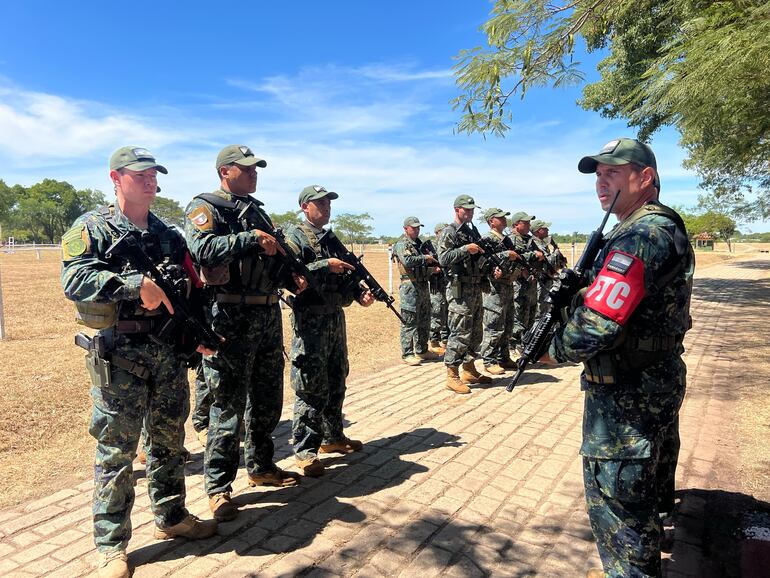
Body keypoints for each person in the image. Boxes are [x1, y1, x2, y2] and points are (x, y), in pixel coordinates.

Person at [61, 146, 217, 578]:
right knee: (117, 452)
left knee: (169, 443)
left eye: (154, 174)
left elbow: (191, 288)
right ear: (116, 178)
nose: (150, 181)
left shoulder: (169, 234)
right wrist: (134, 285)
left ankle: (171, 517)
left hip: (168, 354)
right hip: (120, 357)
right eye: (140, 174)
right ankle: (111, 545)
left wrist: (196, 336)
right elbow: (73, 278)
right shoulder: (93, 227)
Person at [542, 138, 694, 578]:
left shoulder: (642, 234)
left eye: (612, 173)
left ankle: (630, 567)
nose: (601, 183)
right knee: (645, 485)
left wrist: (553, 351)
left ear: (645, 178)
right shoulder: (649, 228)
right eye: (597, 175)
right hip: (651, 379)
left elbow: (598, 324)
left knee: (618, 498)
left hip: (628, 393)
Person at [184, 145, 306, 522]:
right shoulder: (206, 207)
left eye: (256, 169)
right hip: (229, 316)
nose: (254, 174)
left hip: (267, 313)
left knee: (268, 398)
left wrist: (293, 277)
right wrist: (249, 238)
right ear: (225, 172)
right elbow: (201, 249)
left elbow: (276, 257)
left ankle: (261, 466)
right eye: (247, 169)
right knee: (227, 406)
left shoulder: (259, 212)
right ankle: (218, 488)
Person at [285, 185, 374, 477]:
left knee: (337, 376)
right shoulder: (294, 235)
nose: (326, 207)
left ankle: (333, 437)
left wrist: (360, 293)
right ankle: (305, 451)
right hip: (310, 319)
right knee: (310, 384)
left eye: (328, 203)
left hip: (335, 317)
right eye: (319, 202)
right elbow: (292, 271)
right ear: (304, 207)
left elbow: (346, 273)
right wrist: (326, 264)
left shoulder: (331, 239)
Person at [437, 195, 492, 394]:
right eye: (466, 209)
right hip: (459, 290)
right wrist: (464, 250)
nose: (470, 213)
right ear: (457, 210)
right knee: (460, 332)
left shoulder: (472, 231)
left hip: (475, 288)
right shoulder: (449, 232)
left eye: (472, 210)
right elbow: (443, 258)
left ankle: (469, 369)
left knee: (476, 332)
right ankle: (452, 375)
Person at [392, 216, 440, 365]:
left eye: (418, 227)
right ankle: (407, 353)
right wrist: (425, 258)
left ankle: (422, 350)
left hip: (423, 284)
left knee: (424, 319)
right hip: (410, 286)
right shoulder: (402, 244)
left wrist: (433, 268)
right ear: (406, 228)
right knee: (409, 320)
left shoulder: (420, 244)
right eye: (414, 227)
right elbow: (407, 261)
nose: (417, 230)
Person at [478, 208, 521, 374]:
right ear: (491, 221)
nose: (504, 220)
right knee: (494, 324)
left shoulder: (506, 239)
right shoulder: (486, 239)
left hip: (507, 286)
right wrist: (505, 255)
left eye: (504, 218)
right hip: (494, 289)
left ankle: (504, 357)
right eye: (500, 218)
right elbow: (482, 262)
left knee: (508, 323)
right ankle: (489, 360)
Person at [508, 211, 544, 353]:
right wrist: (533, 255)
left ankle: (526, 342)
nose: (529, 225)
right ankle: (515, 343)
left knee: (530, 313)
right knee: (518, 313)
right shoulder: (511, 239)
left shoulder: (529, 239)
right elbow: (514, 257)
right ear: (517, 224)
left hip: (531, 282)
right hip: (518, 282)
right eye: (526, 222)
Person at [528, 219, 567, 318]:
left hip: (547, 280)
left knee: (547, 308)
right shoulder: (534, 244)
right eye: (544, 228)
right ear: (538, 231)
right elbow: (546, 262)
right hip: (541, 282)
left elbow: (552, 266)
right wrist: (556, 253)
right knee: (540, 309)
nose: (547, 230)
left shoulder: (542, 244)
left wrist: (560, 262)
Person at [428, 222, 450, 354]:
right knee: (436, 311)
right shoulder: (432, 248)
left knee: (447, 312)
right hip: (436, 285)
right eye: (442, 231)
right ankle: (434, 339)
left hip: (447, 284)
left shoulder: (446, 246)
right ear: (437, 233)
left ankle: (445, 339)